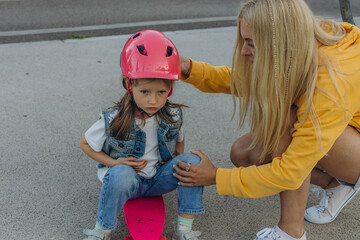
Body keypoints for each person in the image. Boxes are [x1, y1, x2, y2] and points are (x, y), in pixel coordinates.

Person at [173, 0, 360, 239]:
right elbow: (248, 80)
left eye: (251, 43)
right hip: (346, 132)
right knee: (243, 153)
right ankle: (333, 184)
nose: (243, 51)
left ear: (280, 42)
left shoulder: (330, 82)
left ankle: (291, 232)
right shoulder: (300, 40)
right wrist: (189, 69)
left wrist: (216, 177)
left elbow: (290, 172)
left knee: (286, 123)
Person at [79, 30, 204, 240]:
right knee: (119, 173)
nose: (153, 101)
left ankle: (183, 229)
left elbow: (179, 140)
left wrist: (176, 162)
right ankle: (102, 230)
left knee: (194, 162)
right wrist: (114, 162)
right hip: (130, 181)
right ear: (130, 86)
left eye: (161, 92)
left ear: (170, 89)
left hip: (158, 179)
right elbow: (85, 144)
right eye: (145, 92)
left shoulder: (172, 115)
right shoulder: (115, 118)